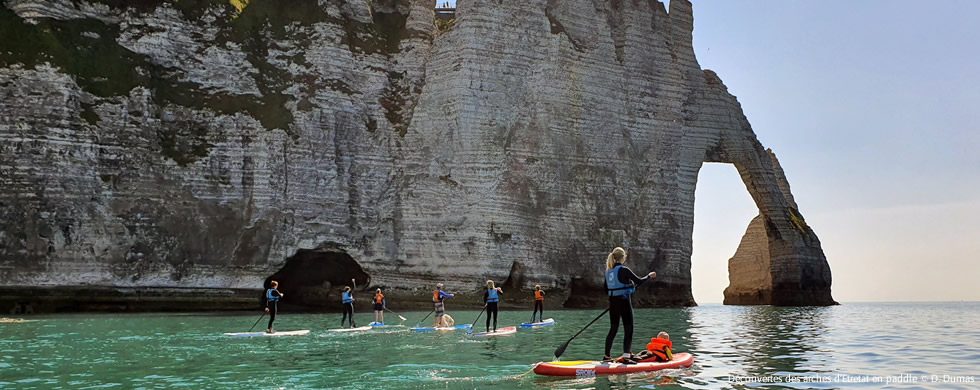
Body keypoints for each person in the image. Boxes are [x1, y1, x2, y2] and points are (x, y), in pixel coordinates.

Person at [602, 247, 656, 364]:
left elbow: (606, 289)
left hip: (613, 304)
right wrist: (649, 276)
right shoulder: (624, 270)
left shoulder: (608, 272)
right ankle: (626, 356)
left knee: (613, 329)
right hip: (624, 303)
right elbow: (639, 281)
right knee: (628, 328)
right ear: (623, 257)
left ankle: (606, 356)